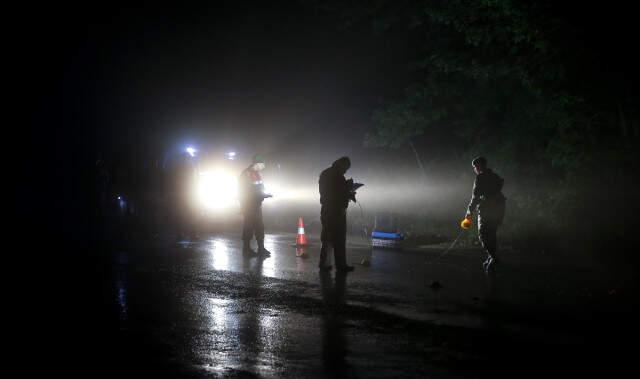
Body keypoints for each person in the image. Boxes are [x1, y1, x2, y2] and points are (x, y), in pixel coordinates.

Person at [465, 156, 506, 272]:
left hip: (488, 211)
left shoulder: (480, 178)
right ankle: (491, 257)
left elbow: (475, 197)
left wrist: (468, 213)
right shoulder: (494, 176)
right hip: (500, 208)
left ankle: (494, 258)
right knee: (492, 234)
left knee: (483, 234)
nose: (474, 169)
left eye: (475, 167)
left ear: (479, 166)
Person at [318, 157, 358, 272]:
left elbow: (336, 191)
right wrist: (348, 188)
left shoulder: (330, 173)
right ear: (341, 165)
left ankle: (328, 264)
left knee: (332, 237)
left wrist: (347, 191)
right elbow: (334, 193)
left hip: (334, 210)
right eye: (345, 168)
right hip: (333, 210)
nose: (345, 171)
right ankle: (335, 265)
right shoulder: (333, 175)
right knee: (333, 237)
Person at [239, 154, 272, 257]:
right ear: (257, 163)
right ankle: (246, 248)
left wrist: (264, 194)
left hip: (256, 203)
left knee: (259, 226)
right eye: (263, 164)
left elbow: (260, 187)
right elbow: (247, 191)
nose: (264, 166)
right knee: (248, 226)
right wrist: (262, 195)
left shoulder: (258, 174)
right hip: (248, 204)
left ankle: (261, 248)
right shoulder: (247, 174)